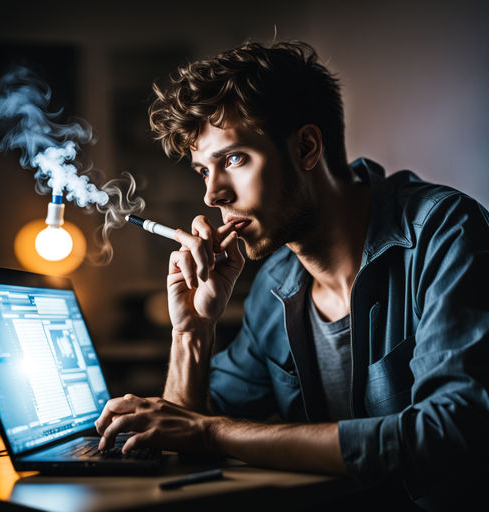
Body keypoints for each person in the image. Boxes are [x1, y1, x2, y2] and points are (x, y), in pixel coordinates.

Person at [95, 40, 489, 510]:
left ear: (306, 147)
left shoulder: (446, 233)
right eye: (204, 170)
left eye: (234, 159)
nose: (213, 195)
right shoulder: (276, 283)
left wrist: (210, 432)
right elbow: (182, 433)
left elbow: (448, 436)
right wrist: (192, 331)